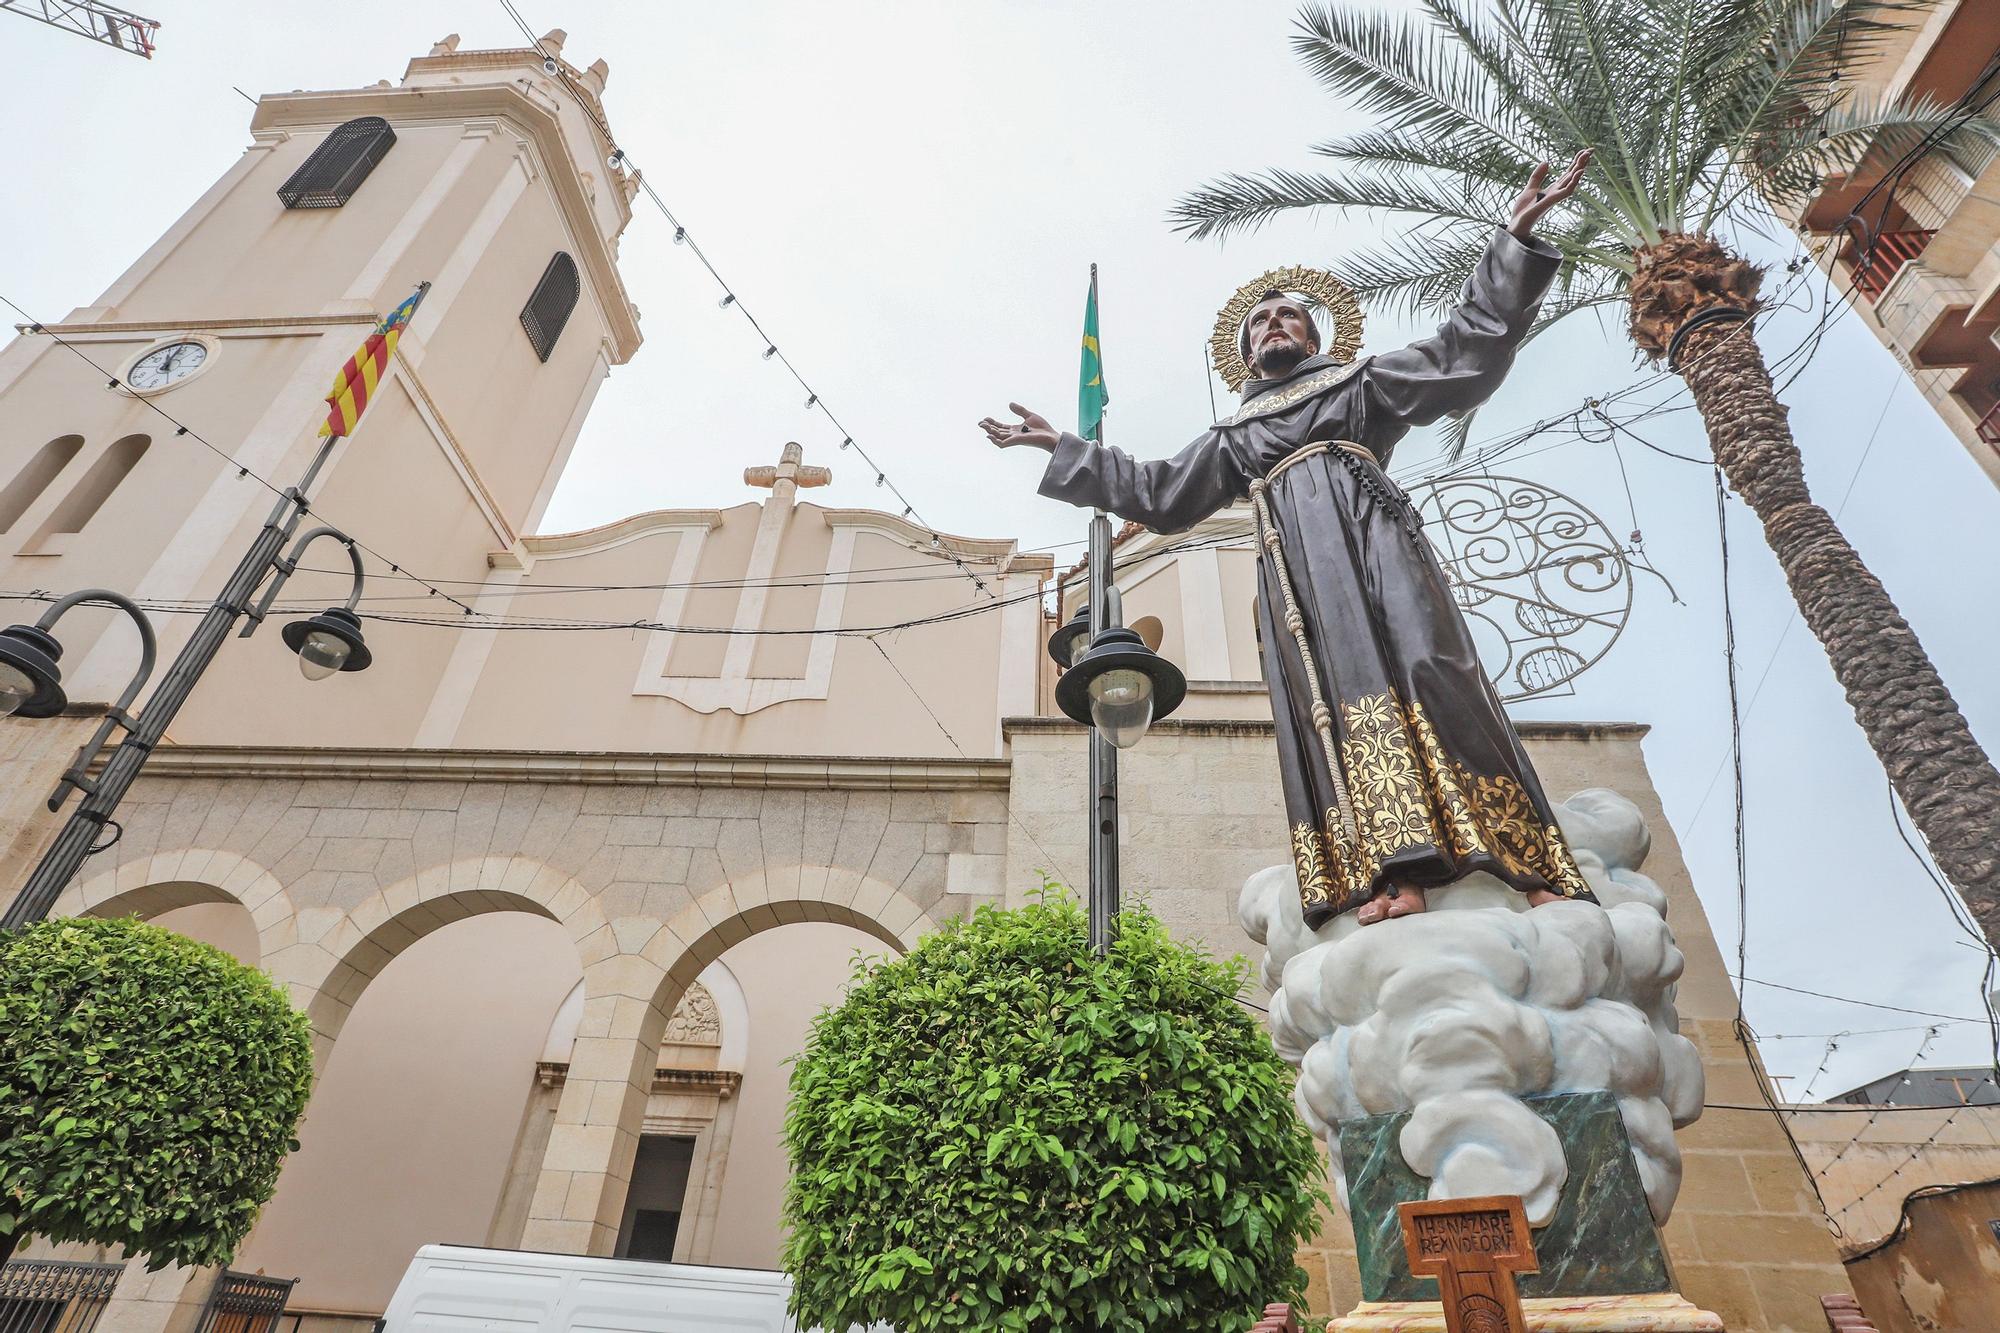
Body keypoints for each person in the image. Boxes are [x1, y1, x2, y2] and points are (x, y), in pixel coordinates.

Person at [981, 154, 1599, 929]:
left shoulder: (1363, 384)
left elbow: (1464, 352)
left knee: (1434, 668)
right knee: (1336, 703)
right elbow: (1158, 492)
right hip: (1302, 585)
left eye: (1289, 317)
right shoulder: (1236, 435)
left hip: (1379, 548)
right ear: (1244, 352)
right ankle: (1394, 872)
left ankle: (1527, 863)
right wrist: (1063, 448)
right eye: (1262, 322)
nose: (1276, 324)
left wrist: (1509, 245)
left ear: (1314, 334)